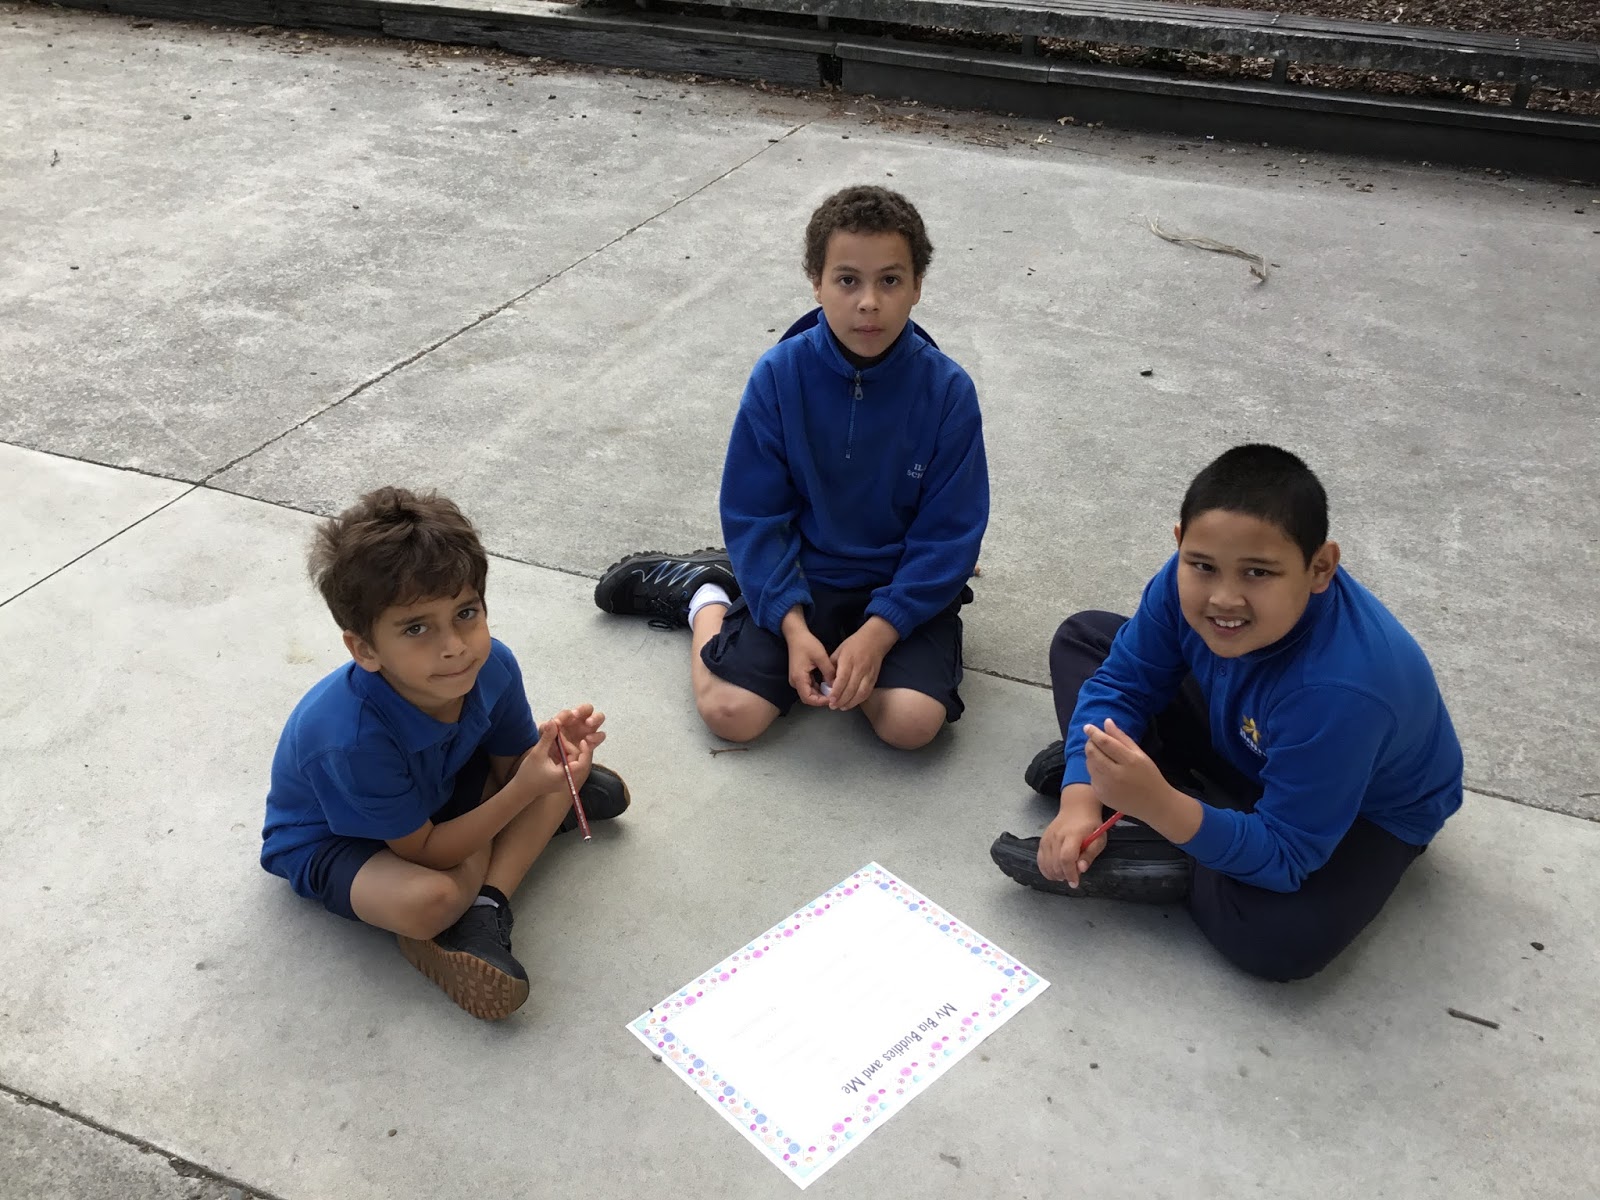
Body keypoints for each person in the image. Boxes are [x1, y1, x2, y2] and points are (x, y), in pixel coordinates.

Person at [990, 445, 1463, 981]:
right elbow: (1122, 680)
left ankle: (1167, 832)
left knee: (1278, 939)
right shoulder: (1186, 580)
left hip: (1358, 810)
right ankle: (1154, 799)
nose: (1224, 598)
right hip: (1246, 734)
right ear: (1181, 544)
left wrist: (1160, 805)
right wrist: (1080, 798)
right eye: (1203, 566)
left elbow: (1289, 855)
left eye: (1258, 572)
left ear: (1320, 568)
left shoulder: (1344, 690)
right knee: (1086, 638)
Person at [594, 185, 988, 751]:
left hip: (900, 584)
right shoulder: (778, 376)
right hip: (805, 578)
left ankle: (859, 650)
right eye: (847, 280)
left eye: (890, 280)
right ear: (816, 283)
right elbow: (754, 514)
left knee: (911, 724)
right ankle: (705, 596)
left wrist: (879, 634)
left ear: (917, 286)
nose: (869, 302)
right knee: (731, 714)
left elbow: (951, 534)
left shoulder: (948, 392)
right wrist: (791, 625)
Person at [260, 487, 629, 1019]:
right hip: (337, 841)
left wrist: (552, 758)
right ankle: (465, 906)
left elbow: (513, 766)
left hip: (441, 787)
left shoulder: (493, 665)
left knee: (548, 776)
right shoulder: (350, 737)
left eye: (466, 612)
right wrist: (525, 789)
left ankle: (485, 909)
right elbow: (428, 853)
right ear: (365, 648)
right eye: (416, 628)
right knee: (431, 900)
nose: (455, 645)